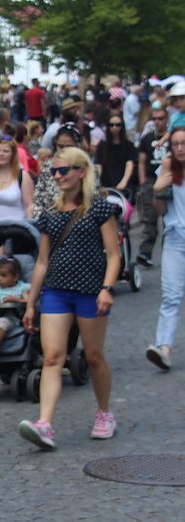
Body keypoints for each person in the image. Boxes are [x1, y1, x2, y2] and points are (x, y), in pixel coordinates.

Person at [18, 147, 119, 451]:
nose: (58, 176)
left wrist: (107, 288)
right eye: (54, 172)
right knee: (52, 357)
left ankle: (104, 413)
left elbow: (113, 255)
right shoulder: (51, 213)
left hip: (90, 292)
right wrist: (30, 302)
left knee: (93, 356)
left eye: (64, 171)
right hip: (57, 293)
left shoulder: (99, 209)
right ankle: (45, 423)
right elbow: (42, 262)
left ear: (81, 172)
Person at [145, 126, 185, 370]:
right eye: (176, 144)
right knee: (171, 295)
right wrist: (158, 190)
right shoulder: (168, 169)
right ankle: (163, 348)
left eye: (184, 143)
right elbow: (160, 211)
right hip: (175, 237)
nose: (180, 148)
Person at [136, 106, 169, 266]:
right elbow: (141, 162)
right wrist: (142, 182)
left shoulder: (173, 138)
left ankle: (169, 252)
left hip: (168, 179)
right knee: (149, 220)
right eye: (155, 119)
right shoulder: (147, 138)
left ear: (167, 119)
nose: (157, 122)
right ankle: (145, 252)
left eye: (161, 118)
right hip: (150, 180)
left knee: (170, 220)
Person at [94, 113, 137, 196]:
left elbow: (130, 163)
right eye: (111, 125)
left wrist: (124, 181)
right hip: (106, 185)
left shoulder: (129, 145)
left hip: (124, 187)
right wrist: (97, 181)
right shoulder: (102, 145)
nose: (114, 128)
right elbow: (99, 165)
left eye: (118, 125)